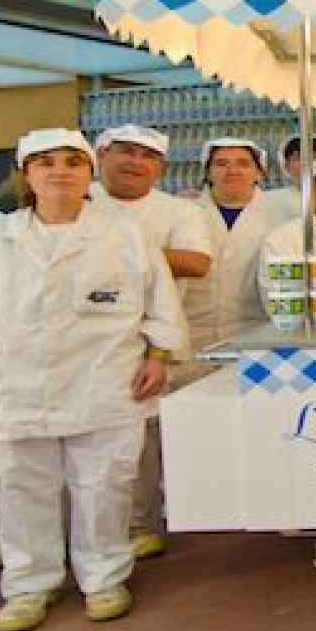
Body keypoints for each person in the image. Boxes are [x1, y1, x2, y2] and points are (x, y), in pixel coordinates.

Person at [0, 128, 186, 631]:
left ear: (89, 171)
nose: (59, 172)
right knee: (22, 489)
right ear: (27, 173)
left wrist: (158, 356)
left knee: (105, 487)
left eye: (72, 162)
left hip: (105, 384)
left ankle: (104, 578)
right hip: (16, 389)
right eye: (46, 162)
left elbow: (162, 303)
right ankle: (30, 585)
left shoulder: (125, 235)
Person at [92, 124, 213, 560]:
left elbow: (197, 262)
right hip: (77, 346)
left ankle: (138, 524)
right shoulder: (76, 201)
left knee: (139, 444)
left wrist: (118, 255)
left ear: (160, 166)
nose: (134, 163)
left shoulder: (176, 211)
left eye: (146, 156)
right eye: (124, 152)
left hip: (147, 343)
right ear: (100, 155)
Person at [180, 138, 291, 357]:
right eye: (221, 164)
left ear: (259, 173)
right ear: (208, 173)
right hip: (191, 337)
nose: (232, 170)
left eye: (243, 163)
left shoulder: (282, 217)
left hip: (255, 336)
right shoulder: (183, 213)